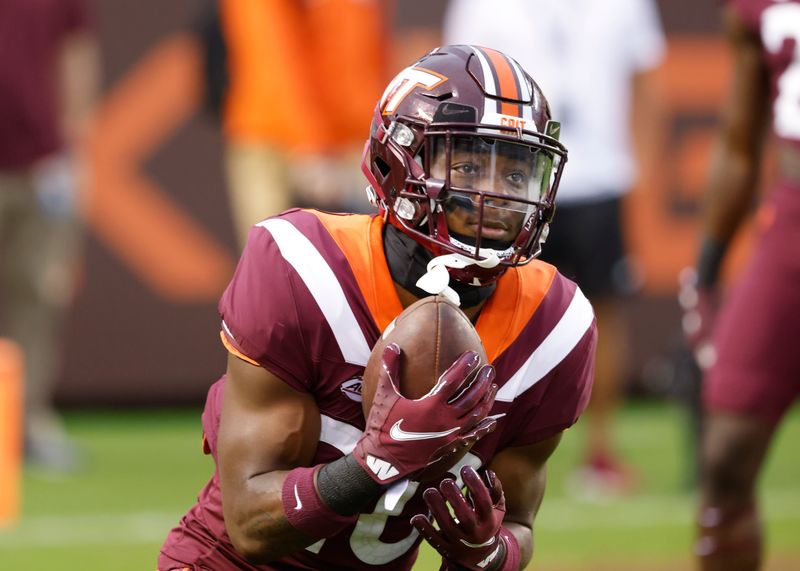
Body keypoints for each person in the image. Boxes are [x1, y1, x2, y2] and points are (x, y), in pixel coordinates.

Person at [159, 45, 597, 571]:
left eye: (514, 173)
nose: (496, 195)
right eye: (468, 163)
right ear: (399, 160)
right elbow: (250, 523)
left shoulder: (555, 325)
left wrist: (486, 553)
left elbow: (518, 523)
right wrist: (373, 464)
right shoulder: (305, 269)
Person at [441, 0, 666, 497]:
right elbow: (457, 78)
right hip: (514, 181)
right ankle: (476, 447)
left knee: (604, 311)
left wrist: (643, 169)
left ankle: (601, 452)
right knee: (489, 305)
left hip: (601, 175)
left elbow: (646, 80)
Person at [679, 1, 800, 569]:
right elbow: (738, 142)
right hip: (791, 220)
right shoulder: (757, 9)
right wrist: (706, 269)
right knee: (725, 454)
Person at [0, 0, 99, 471]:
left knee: (36, 296)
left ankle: (24, 423)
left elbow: (76, 51)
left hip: (38, 164)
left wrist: (72, 145)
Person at [217, 0, 392, 249]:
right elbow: (271, 53)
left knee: (365, 264)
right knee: (270, 265)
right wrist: (312, 143)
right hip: (271, 139)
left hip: (354, 140)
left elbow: (371, 51)